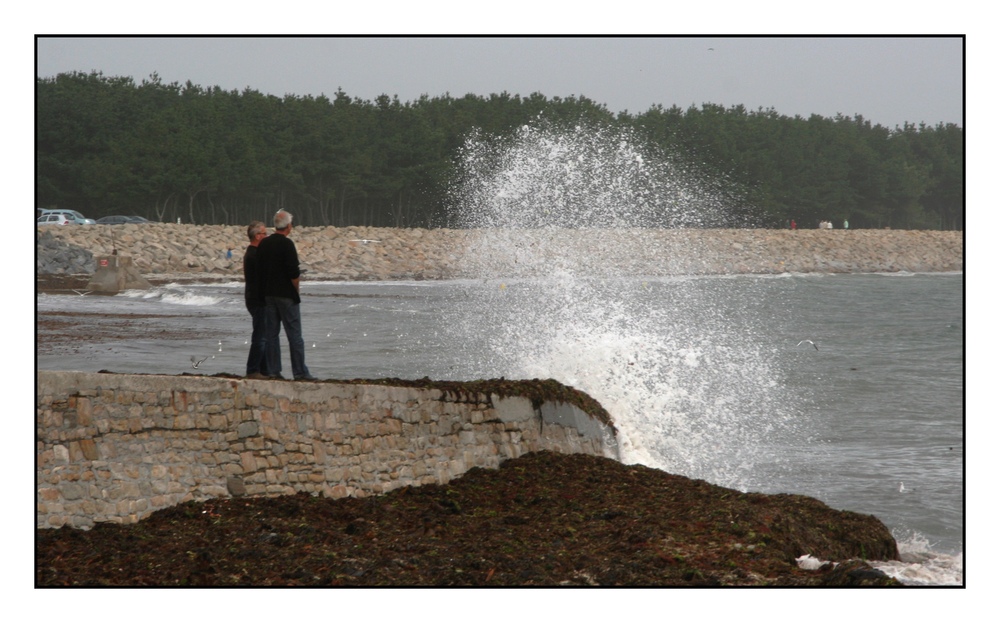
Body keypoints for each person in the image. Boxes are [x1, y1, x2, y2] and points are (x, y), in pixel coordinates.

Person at [257, 210, 317, 381]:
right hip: (286, 295)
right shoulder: (287, 244)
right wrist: (296, 290)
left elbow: (259, 269)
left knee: (271, 335)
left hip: (268, 295)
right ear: (289, 226)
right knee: (294, 335)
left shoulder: (264, 243)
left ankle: (274, 371)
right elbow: (294, 272)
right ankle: (300, 372)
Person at [242, 221, 269, 379]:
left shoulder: (254, 253)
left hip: (255, 298)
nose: (266, 236)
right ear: (258, 236)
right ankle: (253, 369)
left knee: (263, 335)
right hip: (257, 299)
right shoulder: (254, 254)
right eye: (264, 233)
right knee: (260, 336)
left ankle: (264, 369)